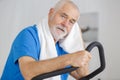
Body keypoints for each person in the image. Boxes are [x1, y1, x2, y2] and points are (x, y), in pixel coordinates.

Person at [1, 0, 91, 80]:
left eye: (71, 22)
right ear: (51, 12)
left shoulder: (64, 47)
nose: (65, 24)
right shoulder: (29, 35)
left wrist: (78, 40)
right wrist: (70, 59)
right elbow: (28, 72)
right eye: (63, 16)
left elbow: (82, 76)